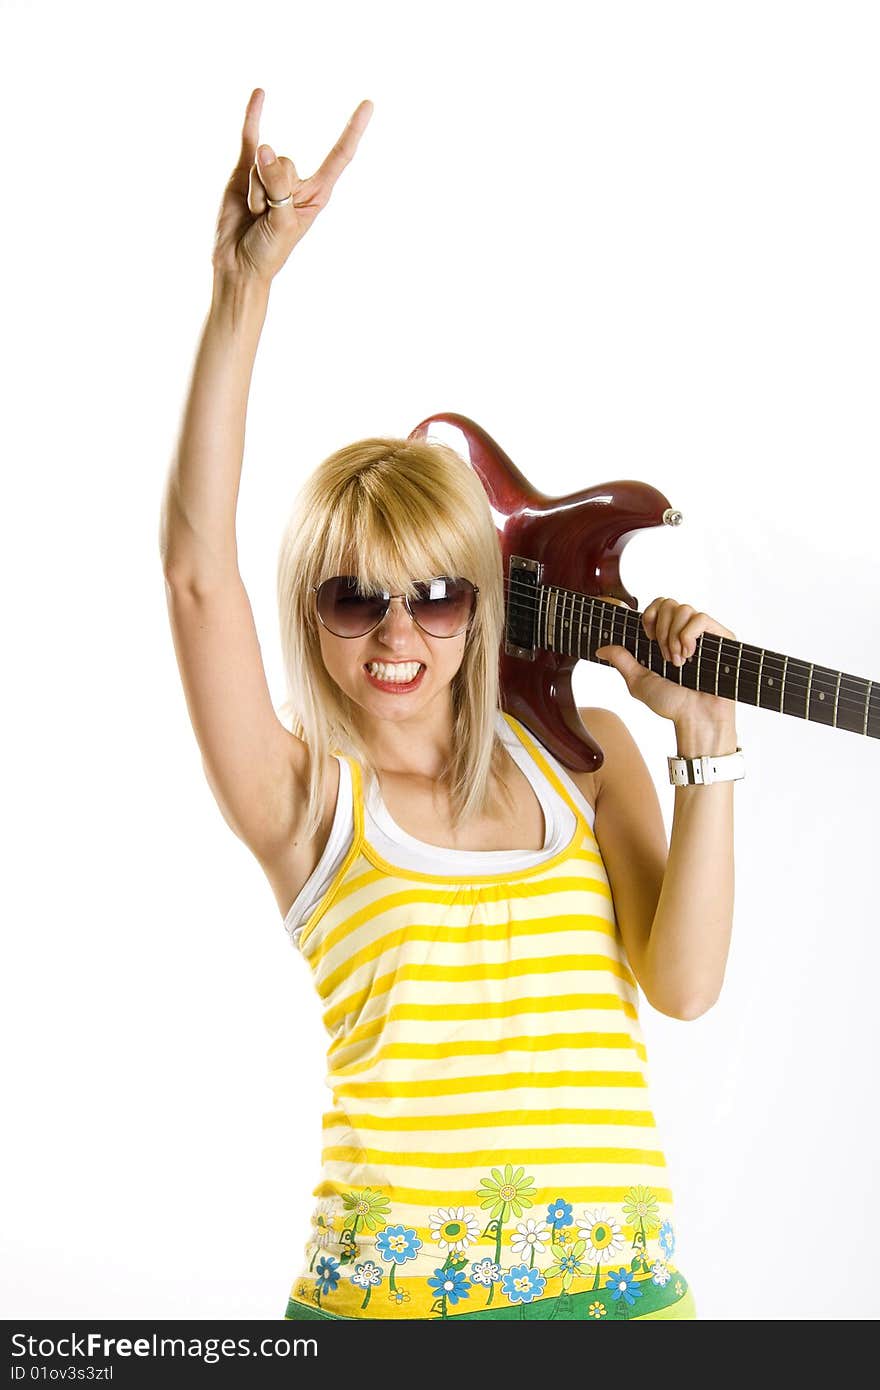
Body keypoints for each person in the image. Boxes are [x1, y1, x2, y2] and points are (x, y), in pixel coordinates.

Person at [160, 88, 740, 1322]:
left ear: (480, 601)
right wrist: (241, 289)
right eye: (352, 599)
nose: (398, 634)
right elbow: (195, 569)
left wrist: (703, 744)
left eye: (433, 593)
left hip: (623, 1310)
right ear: (307, 612)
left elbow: (682, 989)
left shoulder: (584, 766)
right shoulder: (307, 802)